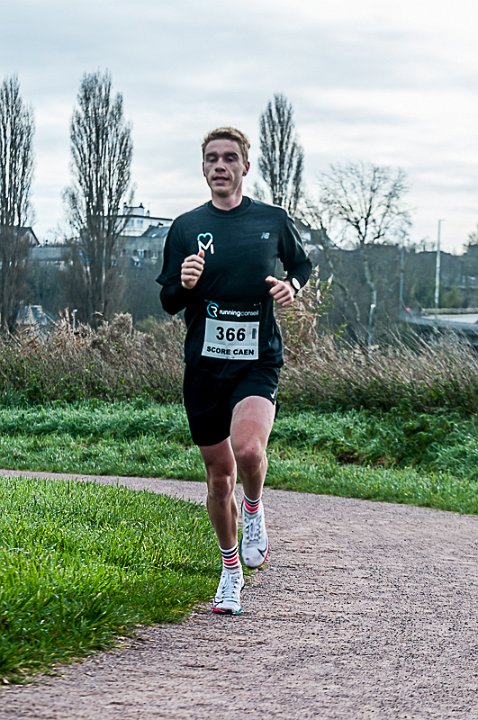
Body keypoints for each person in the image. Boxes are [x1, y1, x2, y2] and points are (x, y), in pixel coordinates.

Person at [157, 127, 311, 615]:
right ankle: (230, 571)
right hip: (204, 368)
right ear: (203, 167)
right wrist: (184, 284)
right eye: (211, 158)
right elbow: (168, 301)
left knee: (247, 449)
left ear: (245, 166)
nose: (220, 166)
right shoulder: (186, 227)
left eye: (229, 158)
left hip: (258, 360)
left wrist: (292, 288)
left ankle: (255, 508)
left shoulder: (272, 220)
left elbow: (302, 267)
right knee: (219, 478)